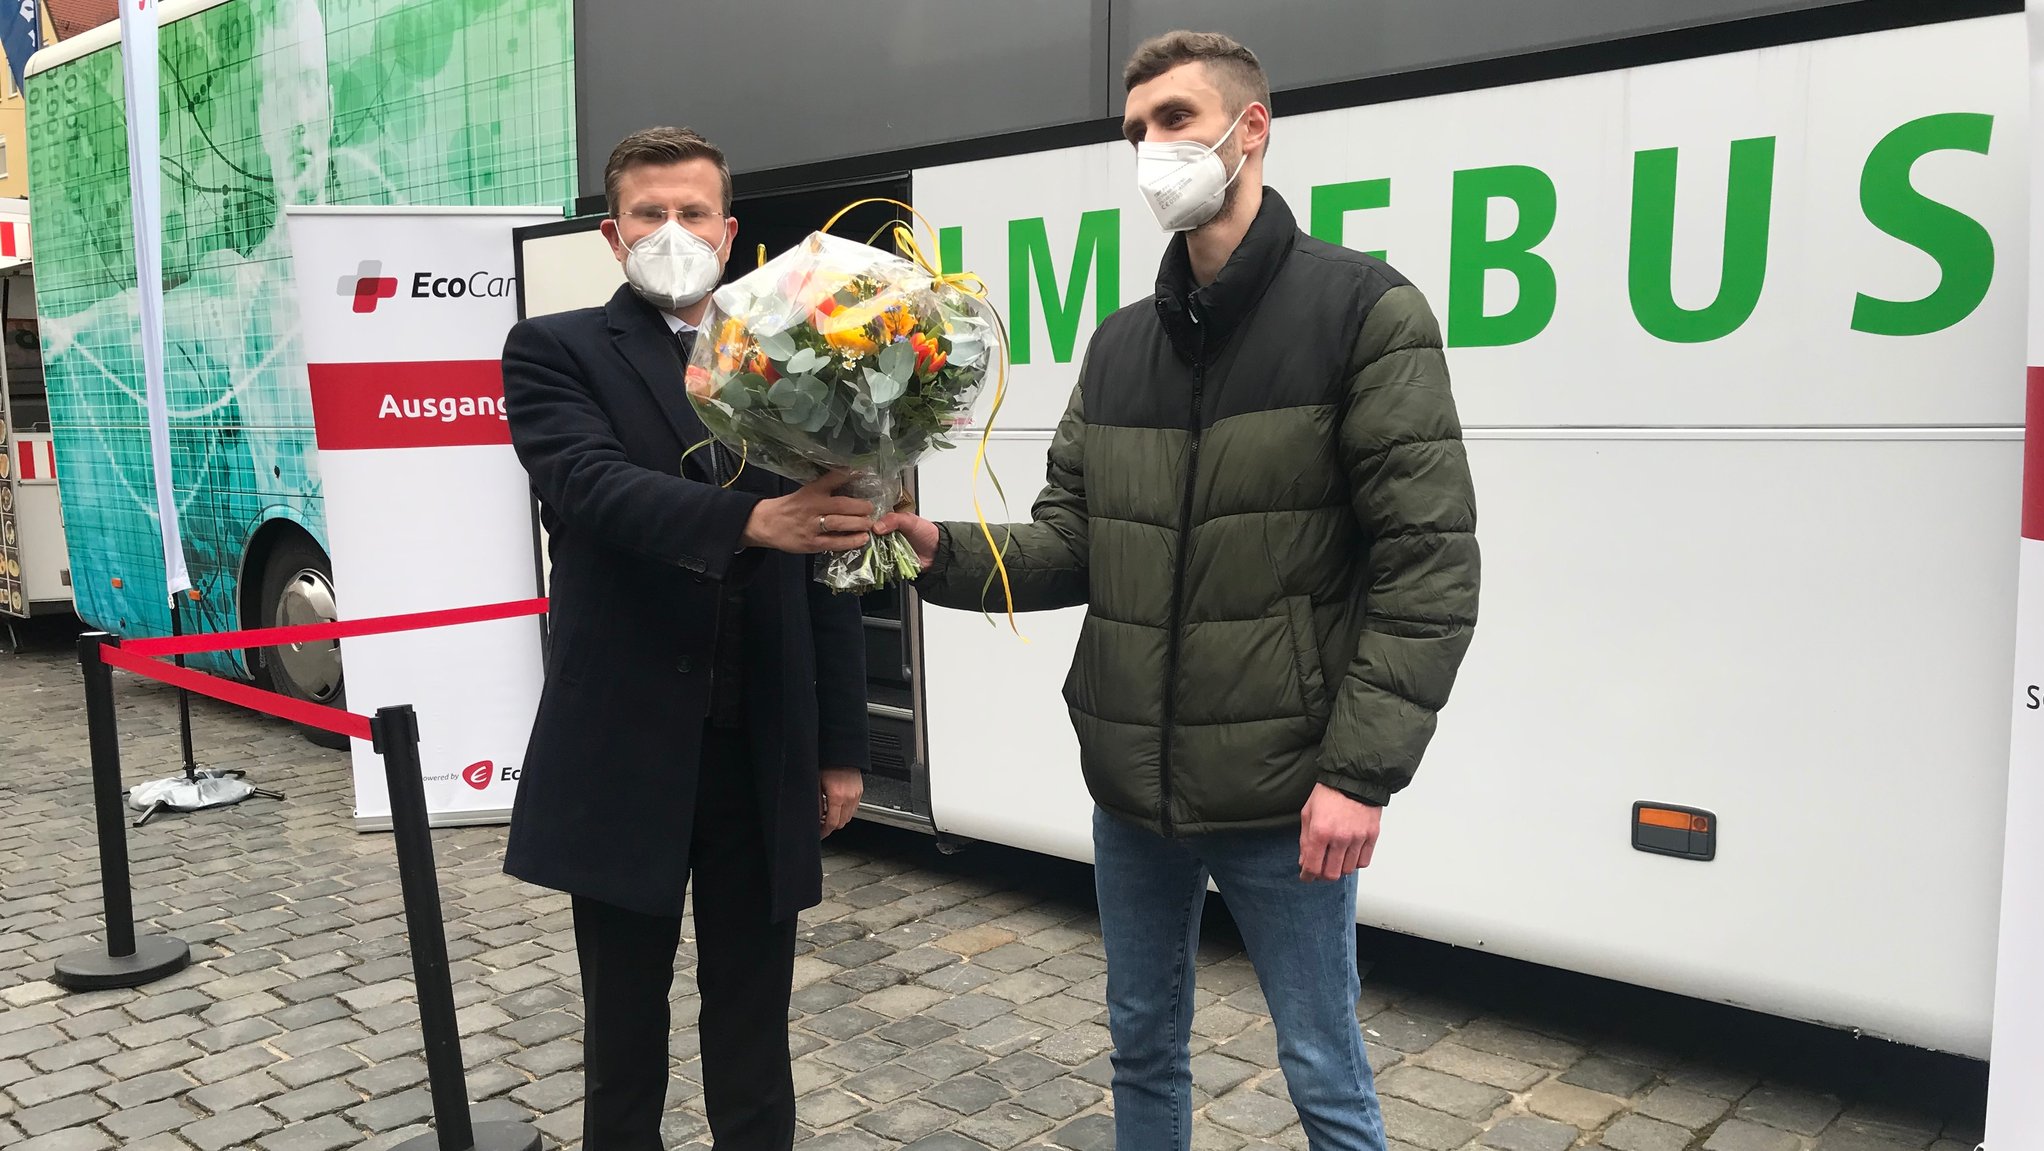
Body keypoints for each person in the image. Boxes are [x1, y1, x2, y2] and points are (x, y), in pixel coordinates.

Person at [878, 31, 1479, 1151]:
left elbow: (1426, 563)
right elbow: (1069, 540)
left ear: (1249, 129)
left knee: (1322, 1066)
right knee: (1140, 1039)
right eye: (1135, 129)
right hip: (1131, 790)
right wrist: (930, 545)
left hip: (1282, 788)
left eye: (1172, 119)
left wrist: (1358, 771)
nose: (1151, 147)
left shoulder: (1361, 313)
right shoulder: (1118, 348)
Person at [500, 126, 876, 1151]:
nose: (674, 232)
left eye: (693, 213)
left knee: (755, 1029)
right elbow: (588, 487)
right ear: (613, 236)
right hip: (624, 744)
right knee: (624, 1034)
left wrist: (839, 742)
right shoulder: (554, 348)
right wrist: (753, 520)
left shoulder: (800, 355)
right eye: (651, 215)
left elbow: (829, 554)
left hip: (760, 743)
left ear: (730, 227)